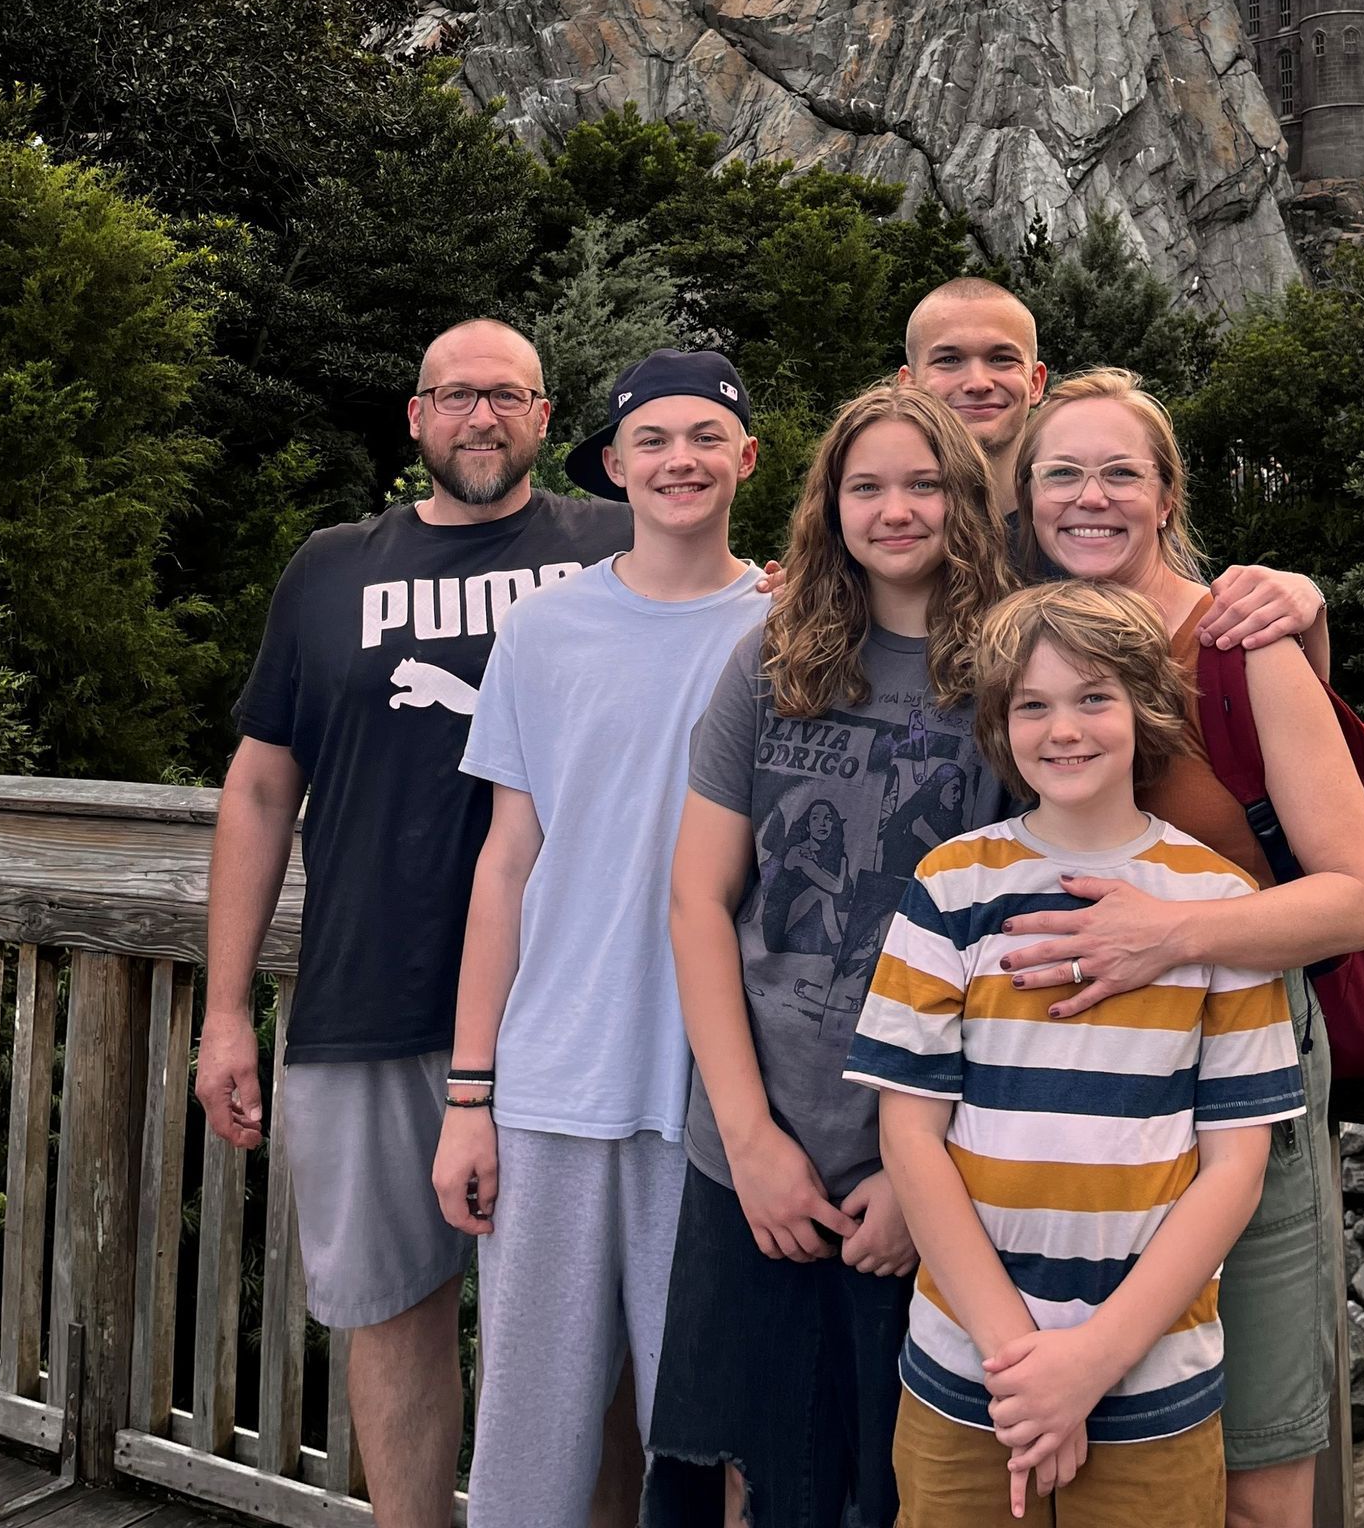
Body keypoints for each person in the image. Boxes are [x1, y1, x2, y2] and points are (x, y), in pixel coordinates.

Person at [195, 319, 633, 1528]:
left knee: (581, 1345)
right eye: (454, 395)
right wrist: (228, 1010)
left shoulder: (623, 542)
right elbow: (260, 786)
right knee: (392, 1322)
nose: (480, 417)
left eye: (507, 395)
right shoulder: (330, 566)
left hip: (572, 1010)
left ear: (549, 417)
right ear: (415, 417)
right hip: (363, 1002)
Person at [999, 370, 1364, 1528]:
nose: (1092, 496)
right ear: (1023, 500)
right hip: (1066, 1080)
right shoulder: (1020, 643)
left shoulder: (1239, 641)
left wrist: (1162, 934)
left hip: (1243, 1062)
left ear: (1167, 495)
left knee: (1257, 1467)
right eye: (1062, 472)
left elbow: (1357, 896)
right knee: (1087, 1435)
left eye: (1122, 471)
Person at [848, 579, 1306, 1527]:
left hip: (1152, 1382)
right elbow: (911, 1137)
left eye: (1095, 697)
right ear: (999, 723)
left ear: (1144, 705)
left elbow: (1234, 1168)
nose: (1065, 728)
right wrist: (1025, 1366)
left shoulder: (1217, 906)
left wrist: (1088, 1368)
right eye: (1033, 705)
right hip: (970, 1371)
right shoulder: (952, 884)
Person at [647, 384, 1017, 1528]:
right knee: (747, 1470)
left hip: (935, 1170)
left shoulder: (1014, 671)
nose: (896, 509)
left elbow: (1022, 954)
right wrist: (750, 1139)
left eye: (925, 484)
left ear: (966, 500)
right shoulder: (772, 661)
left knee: (899, 1485)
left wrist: (928, 1177)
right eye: (868, 485)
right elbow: (699, 903)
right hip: (755, 1154)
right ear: (829, 504)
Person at [429, 349, 769, 1528]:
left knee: (721, 1441)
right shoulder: (541, 629)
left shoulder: (789, 626)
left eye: (705, 437)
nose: (681, 460)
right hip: (553, 1084)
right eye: (656, 440)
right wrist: (469, 1095)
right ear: (614, 462)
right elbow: (505, 864)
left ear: (746, 458)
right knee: (530, 1442)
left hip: (723, 1102)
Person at [899, 276, 1328, 665]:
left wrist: (1306, 608)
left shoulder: (1100, 525)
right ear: (909, 384)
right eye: (949, 360)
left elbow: (1226, 671)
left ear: (1035, 382)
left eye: (1001, 359)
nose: (977, 381)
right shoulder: (888, 534)